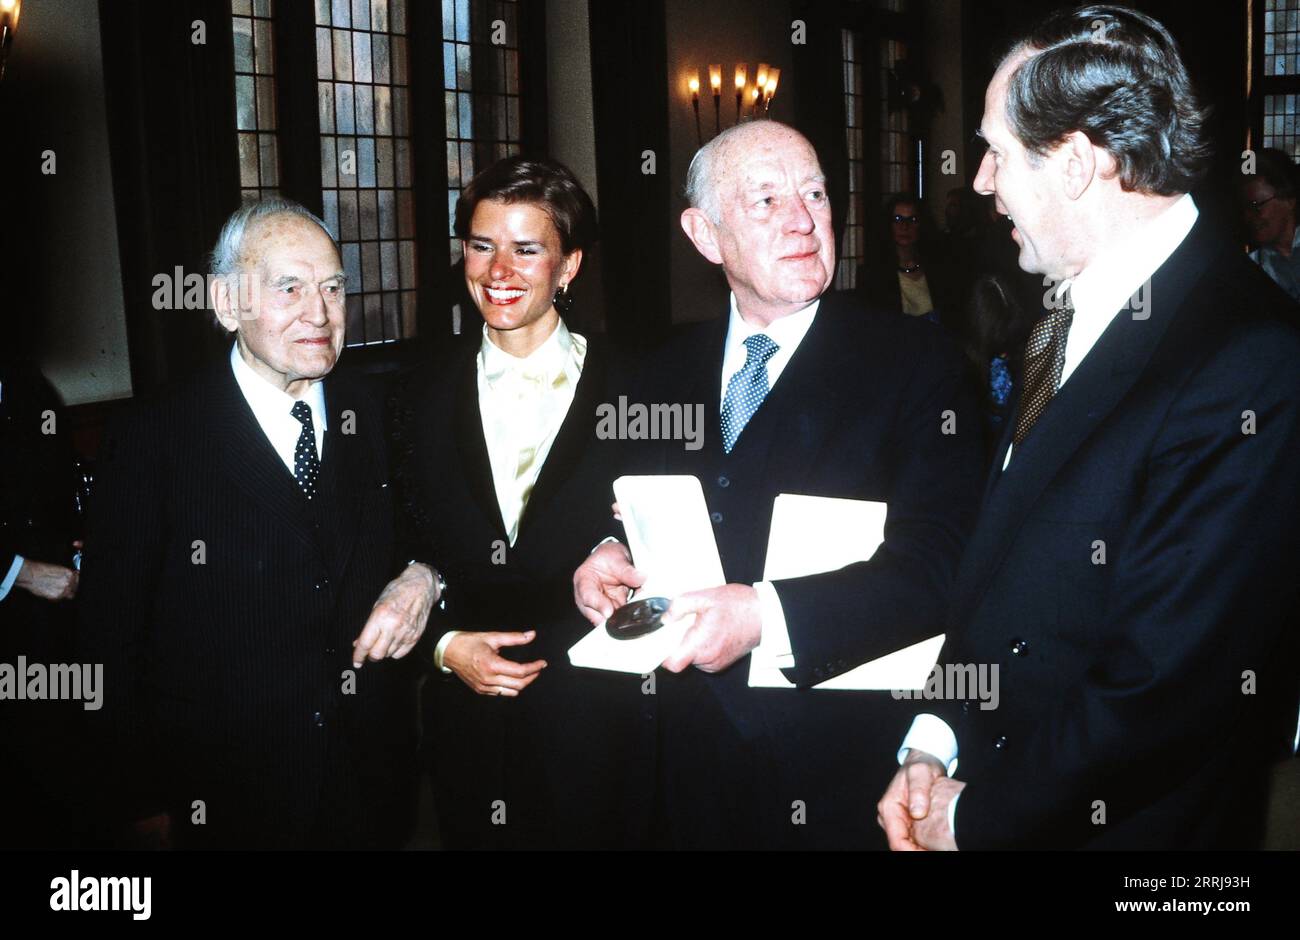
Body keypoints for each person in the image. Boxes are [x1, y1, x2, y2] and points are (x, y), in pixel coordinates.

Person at [878, 3, 1300, 851]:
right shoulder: (1058, 320)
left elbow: (1166, 683)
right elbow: (1002, 575)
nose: (983, 182)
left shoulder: (1250, 356)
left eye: (996, 152)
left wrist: (974, 817)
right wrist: (937, 734)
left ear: (1074, 163)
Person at [572, 120, 984, 849]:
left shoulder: (918, 364)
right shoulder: (658, 371)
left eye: (816, 194)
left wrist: (765, 616)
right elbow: (631, 506)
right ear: (705, 234)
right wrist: (608, 552)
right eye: (765, 201)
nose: (803, 220)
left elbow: (944, 563)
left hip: (834, 768)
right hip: (672, 763)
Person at [76, 198, 431, 849]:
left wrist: (424, 577)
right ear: (227, 303)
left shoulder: (378, 410)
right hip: (225, 800)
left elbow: (426, 535)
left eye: (332, 288)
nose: (319, 314)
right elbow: (107, 637)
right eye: (289, 288)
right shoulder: (155, 438)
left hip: (371, 785)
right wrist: (139, 797)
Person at [390, 156, 653, 849]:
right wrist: (443, 650)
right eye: (482, 245)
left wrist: (617, 548)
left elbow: (685, 541)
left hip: (602, 713)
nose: (498, 270)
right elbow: (383, 551)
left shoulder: (640, 387)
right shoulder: (412, 395)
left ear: (568, 266)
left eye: (526, 248)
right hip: (467, 722)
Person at [858, 193, 961, 327]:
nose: (904, 226)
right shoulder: (874, 274)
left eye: (912, 220)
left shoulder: (939, 269)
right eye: (897, 219)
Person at [1242, 147, 1300, 302]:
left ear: (1288, 200)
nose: (1249, 216)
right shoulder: (1251, 269)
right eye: (1245, 207)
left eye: (1256, 205)